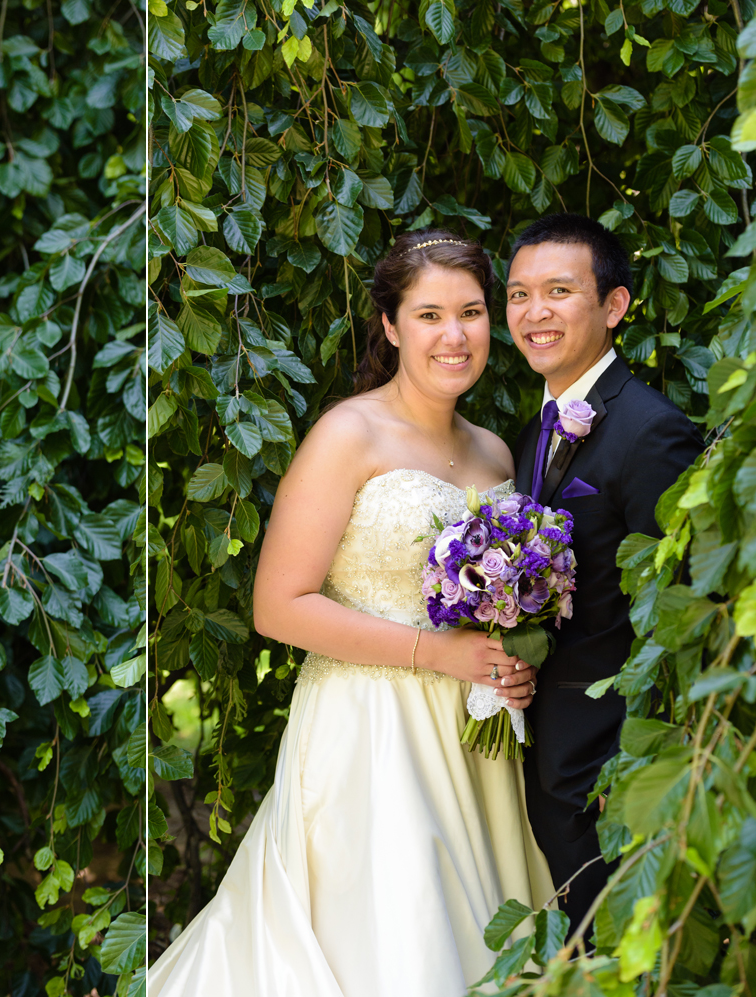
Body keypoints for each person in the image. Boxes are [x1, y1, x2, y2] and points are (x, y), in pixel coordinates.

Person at [145, 231, 553, 996]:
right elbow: (277, 605)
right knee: (397, 939)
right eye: (429, 314)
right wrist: (440, 655)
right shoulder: (348, 434)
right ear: (392, 327)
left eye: (471, 312)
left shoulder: (498, 453)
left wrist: (508, 657)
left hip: (476, 735)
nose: (455, 334)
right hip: (372, 728)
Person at [504, 214, 705, 930]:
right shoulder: (534, 429)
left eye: (559, 290)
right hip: (548, 759)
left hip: (607, 771)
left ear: (613, 305)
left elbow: (683, 611)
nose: (535, 312)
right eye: (519, 294)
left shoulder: (652, 430)